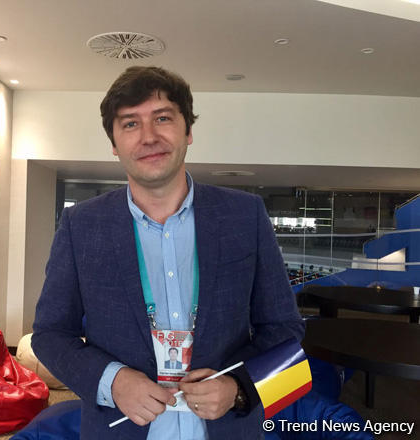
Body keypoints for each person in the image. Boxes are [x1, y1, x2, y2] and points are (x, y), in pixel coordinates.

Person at [32, 66, 304, 439]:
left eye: (162, 118)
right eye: (130, 123)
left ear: (188, 131)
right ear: (114, 143)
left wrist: (238, 388)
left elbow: (286, 330)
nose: (149, 137)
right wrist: (112, 381)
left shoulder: (245, 215)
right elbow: (50, 334)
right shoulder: (81, 225)